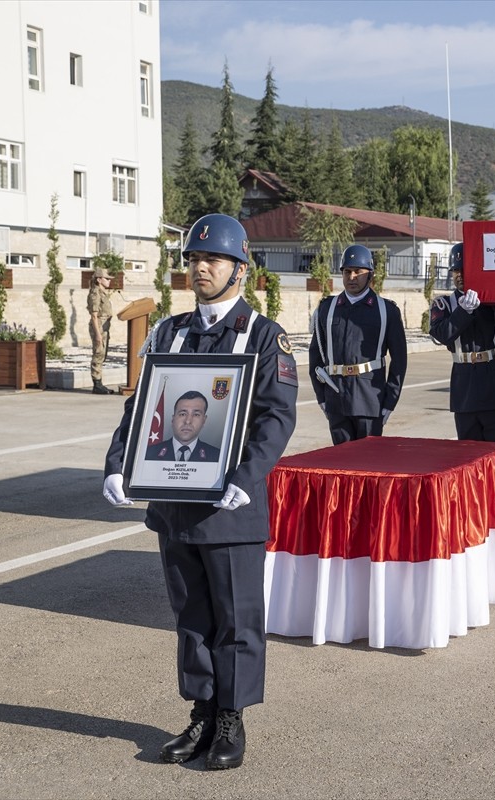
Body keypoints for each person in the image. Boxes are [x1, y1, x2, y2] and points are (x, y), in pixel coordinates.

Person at [102, 213, 299, 771]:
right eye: (193, 259)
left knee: (236, 619)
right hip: (174, 505)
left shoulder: (263, 335)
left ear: (240, 268)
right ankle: (202, 711)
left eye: (212, 259)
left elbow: (275, 419)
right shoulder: (169, 331)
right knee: (191, 617)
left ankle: (232, 720)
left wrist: (245, 476)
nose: (200, 268)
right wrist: (120, 464)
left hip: (230, 507)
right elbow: (142, 410)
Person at [309, 245, 407, 445]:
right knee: (341, 467)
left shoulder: (386, 310)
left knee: (368, 466)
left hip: (370, 400)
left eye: (357, 271)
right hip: (336, 399)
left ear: (370, 274)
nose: (351, 277)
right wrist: (321, 397)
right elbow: (316, 356)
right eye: (347, 271)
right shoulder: (327, 309)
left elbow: (399, 360)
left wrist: (390, 401)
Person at [428, 242, 495, 442]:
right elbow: (442, 334)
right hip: (466, 382)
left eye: (465, 270)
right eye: (455, 271)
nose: (459, 275)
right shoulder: (443, 303)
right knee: (468, 456)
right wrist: (463, 312)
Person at [145, 390, 221, 462]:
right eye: (182, 414)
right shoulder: (148, 454)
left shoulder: (217, 457)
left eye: (196, 415)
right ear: (173, 419)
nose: (188, 421)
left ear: (204, 420)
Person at [87, 265, 115, 395]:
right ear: (99, 279)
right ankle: (97, 384)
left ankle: (99, 383)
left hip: (105, 327)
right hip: (98, 325)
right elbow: (94, 315)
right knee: (98, 354)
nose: (109, 281)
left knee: (102, 354)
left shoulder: (103, 292)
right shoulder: (95, 293)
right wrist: (98, 334)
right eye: (106, 278)